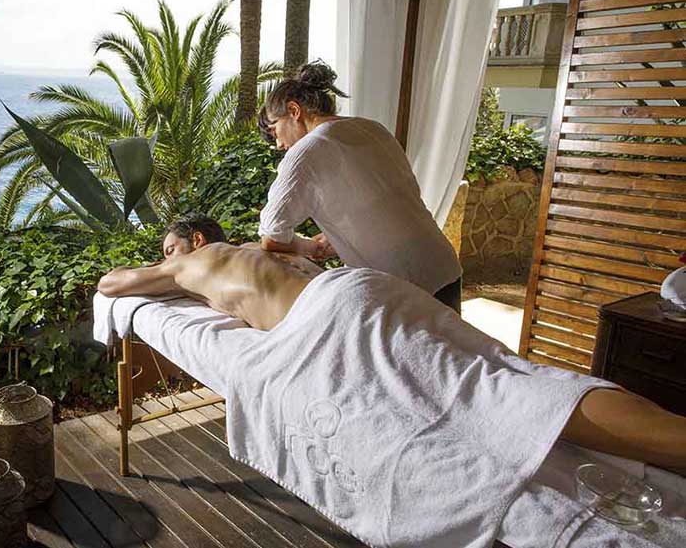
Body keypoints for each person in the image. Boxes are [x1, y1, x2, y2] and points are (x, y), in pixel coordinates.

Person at [97, 213, 686, 473]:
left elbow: (112, 283)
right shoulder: (253, 252)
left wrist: (166, 266)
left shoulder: (191, 261)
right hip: (363, 287)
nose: (166, 260)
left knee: (491, 394)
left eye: (170, 247)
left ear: (196, 240)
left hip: (338, 314)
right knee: (503, 373)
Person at [255, 62, 464, 313]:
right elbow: (386, 199)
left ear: (293, 110)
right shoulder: (372, 128)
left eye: (274, 129)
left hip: (403, 287)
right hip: (443, 268)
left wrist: (309, 247)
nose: (278, 144)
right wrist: (338, 237)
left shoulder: (305, 152)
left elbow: (271, 236)